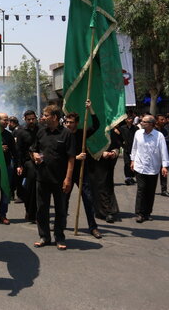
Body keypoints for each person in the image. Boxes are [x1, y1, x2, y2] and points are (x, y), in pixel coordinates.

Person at [31, 105, 75, 250]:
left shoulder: (66, 134)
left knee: (60, 210)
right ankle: (44, 236)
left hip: (60, 180)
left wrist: (68, 179)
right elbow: (34, 150)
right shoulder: (41, 132)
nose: (43, 117)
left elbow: (71, 158)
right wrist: (35, 155)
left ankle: (60, 237)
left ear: (55, 117)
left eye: (46, 115)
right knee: (41, 209)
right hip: (42, 178)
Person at [64, 101, 102, 239]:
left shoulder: (82, 133)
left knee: (88, 199)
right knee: (64, 200)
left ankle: (93, 227)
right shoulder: (62, 134)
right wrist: (76, 157)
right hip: (67, 172)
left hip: (81, 172)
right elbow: (59, 155)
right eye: (67, 122)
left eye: (71, 122)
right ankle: (61, 224)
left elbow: (97, 125)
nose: (68, 124)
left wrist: (90, 109)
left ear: (77, 123)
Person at [130, 115, 169, 223]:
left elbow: (163, 150)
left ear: (151, 124)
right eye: (141, 121)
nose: (141, 123)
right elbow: (134, 148)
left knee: (150, 191)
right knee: (141, 189)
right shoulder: (138, 133)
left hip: (153, 167)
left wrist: (164, 166)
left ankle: (147, 213)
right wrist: (132, 160)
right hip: (140, 166)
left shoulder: (159, 136)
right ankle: (139, 213)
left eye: (144, 122)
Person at [15, 110, 40, 223]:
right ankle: (29, 211)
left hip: (41, 161)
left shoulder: (41, 130)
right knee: (30, 189)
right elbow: (19, 151)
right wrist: (19, 165)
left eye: (33, 118)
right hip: (28, 163)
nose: (31, 121)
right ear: (25, 119)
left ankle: (38, 212)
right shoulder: (21, 132)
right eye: (29, 119)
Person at [0, 112, 17, 225]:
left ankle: (3, 214)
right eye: (4, 120)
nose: (7, 122)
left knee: (5, 191)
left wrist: (18, 165)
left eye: (7, 120)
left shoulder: (9, 135)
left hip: (6, 166)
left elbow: (14, 151)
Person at [155, 114, 169, 198]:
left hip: (164, 154)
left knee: (164, 173)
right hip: (154, 156)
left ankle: (164, 190)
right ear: (156, 121)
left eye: (164, 119)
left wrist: (162, 140)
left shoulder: (165, 130)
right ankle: (149, 190)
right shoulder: (153, 130)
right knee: (152, 174)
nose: (163, 121)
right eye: (161, 119)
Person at [119, 115, 138, 185]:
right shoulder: (122, 128)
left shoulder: (136, 128)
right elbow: (120, 137)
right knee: (127, 163)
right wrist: (122, 145)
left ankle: (132, 176)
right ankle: (127, 177)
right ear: (126, 120)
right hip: (126, 148)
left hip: (134, 149)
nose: (130, 120)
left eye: (131, 119)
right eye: (129, 119)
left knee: (133, 163)